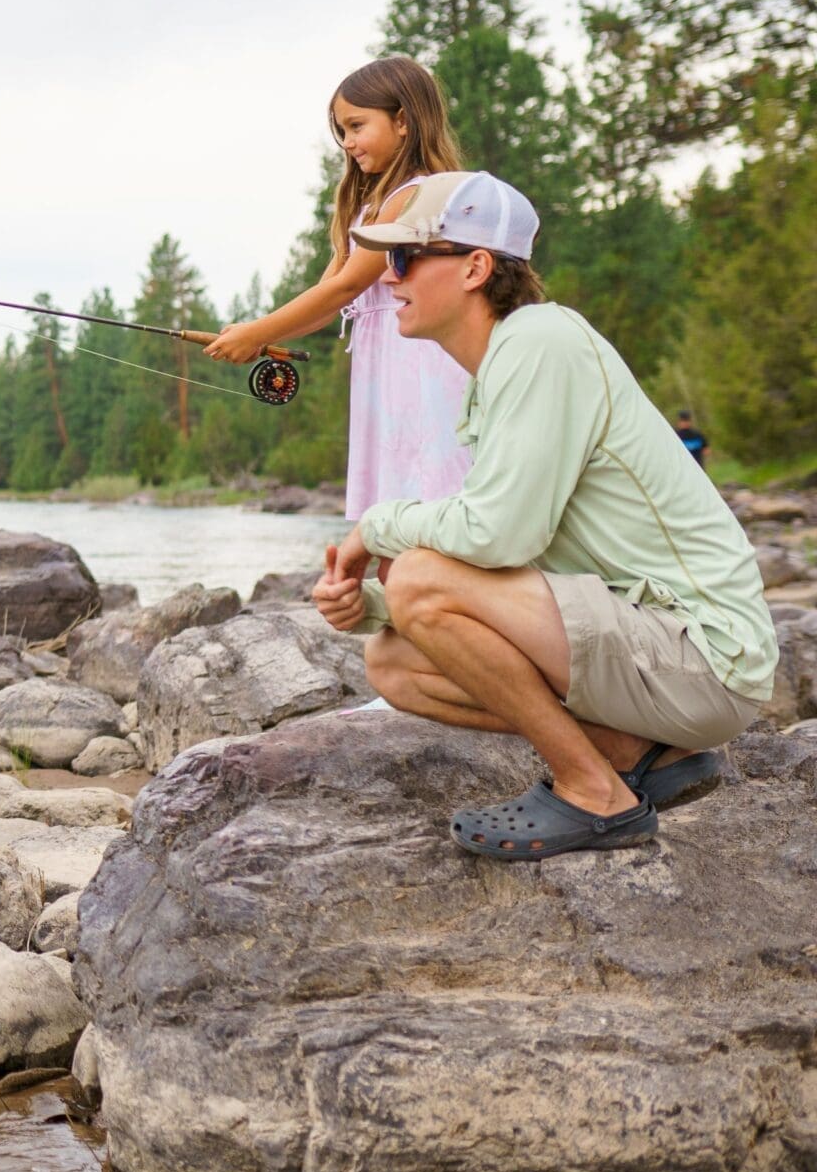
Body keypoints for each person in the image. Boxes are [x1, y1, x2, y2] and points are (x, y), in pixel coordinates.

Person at [311, 170, 778, 861]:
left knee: (418, 577)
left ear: (475, 266)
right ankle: (637, 753)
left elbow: (500, 537)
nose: (387, 277)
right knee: (394, 661)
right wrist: (372, 607)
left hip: (705, 651)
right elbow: (518, 560)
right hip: (647, 640)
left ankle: (595, 792)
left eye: (405, 257)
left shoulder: (541, 342)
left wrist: (376, 527)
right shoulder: (504, 368)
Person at [207, 56, 471, 519]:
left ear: (404, 121)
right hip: (383, 367)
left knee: (427, 499)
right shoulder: (367, 208)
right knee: (389, 513)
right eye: (341, 132)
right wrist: (262, 336)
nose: (348, 143)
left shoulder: (415, 194)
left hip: (419, 363)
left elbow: (346, 287)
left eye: (356, 126)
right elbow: (325, 304)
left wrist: (254, 331)